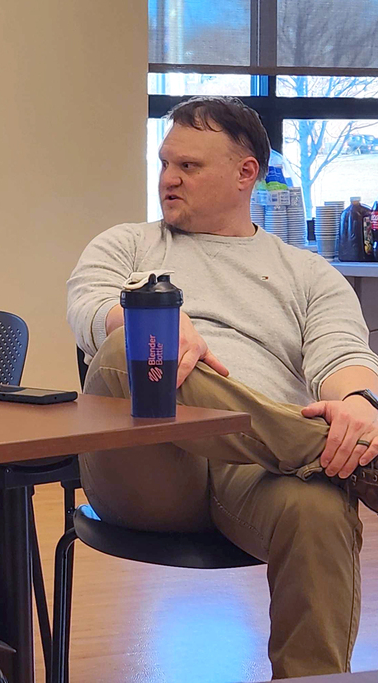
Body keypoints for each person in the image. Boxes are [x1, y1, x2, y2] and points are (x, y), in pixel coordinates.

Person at [67, 97, 378, 678]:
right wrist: (154, 325)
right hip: (147, 467)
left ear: (245, 173)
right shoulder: (126, 244)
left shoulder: (308, 272)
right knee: (131, 347)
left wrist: (361, 407)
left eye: (188, 166)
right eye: (165, 163)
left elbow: (343, 354)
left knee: (319, 508)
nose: (168, 178)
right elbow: (87, 308)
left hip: (259, 472)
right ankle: (352, 460)